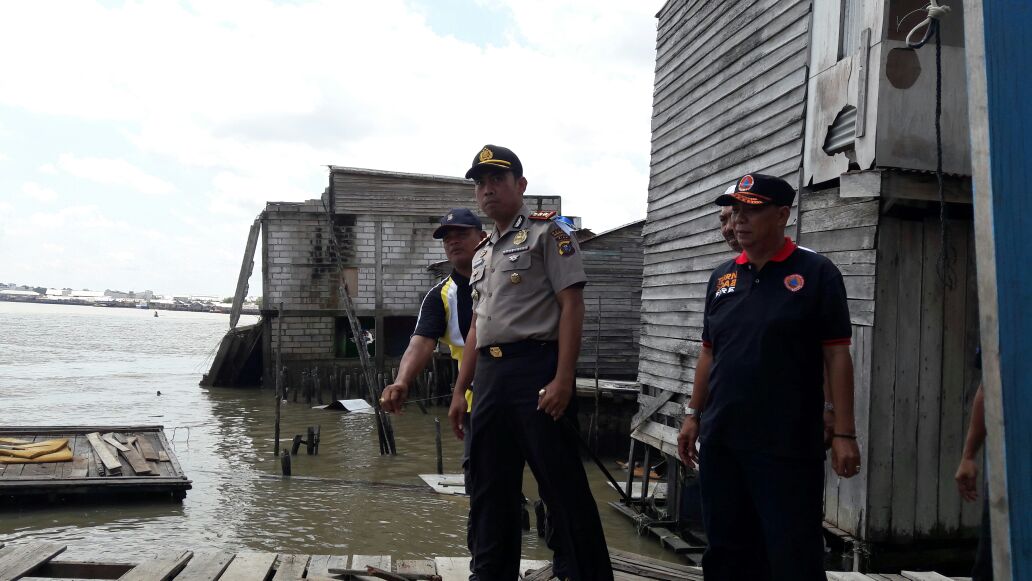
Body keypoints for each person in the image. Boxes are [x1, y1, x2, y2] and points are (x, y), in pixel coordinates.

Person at [677, 173, 861, 581]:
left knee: (792, 552)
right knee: (726, 550)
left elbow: (836, 354)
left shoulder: (817, 273)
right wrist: (693, 414)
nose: (739, 219)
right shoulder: (722, 278)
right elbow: (709, 352)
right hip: (723, 437)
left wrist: (844, 432)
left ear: (781, 215)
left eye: (752, 210)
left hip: (786, 441)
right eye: (735, 211)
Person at [450, 144, 613, 581]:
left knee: (560, 482)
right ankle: (490, 573)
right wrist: (460, 390)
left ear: (520, 185)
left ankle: (584, 573)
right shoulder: (482, 252)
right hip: (490, 375)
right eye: (480, 183)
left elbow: (572, 305)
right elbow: (477, 326)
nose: (487, 190)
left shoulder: (549, 234)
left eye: (497, 180)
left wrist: (564, 379)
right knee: (489, 484)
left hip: (536, 369)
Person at [955, 349, 993, 581]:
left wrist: (969, 456)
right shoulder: (999, 327)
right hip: (1007, 476)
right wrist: (968, 455)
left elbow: (988, 386)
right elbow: (988, 386)